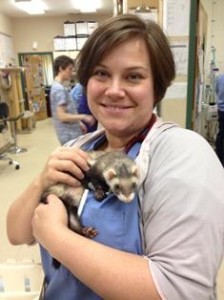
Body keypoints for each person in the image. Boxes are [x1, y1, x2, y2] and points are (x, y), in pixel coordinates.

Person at [6, 14, 224, 300]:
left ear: (157, 86)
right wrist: (40, 182)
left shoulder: (183, 155)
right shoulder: (78, 146)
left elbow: (181, 291)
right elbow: (17, 234)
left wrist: (57, 238)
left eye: (134, 76)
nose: (114, 90)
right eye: (101, 73)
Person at [50, 55, 95, 145]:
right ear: (61, 69)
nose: (72, 73)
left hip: (71, 131)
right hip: (68, 134)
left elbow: (67, 110)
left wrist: (79, 123)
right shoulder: (58, 89)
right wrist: (83, 117)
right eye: (70, 69)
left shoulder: (58, 86)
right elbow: (62, 116)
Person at [215, 73, 224, 166]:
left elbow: (216, 91)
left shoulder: (220, 78)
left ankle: (219, 157)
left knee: (221, 133)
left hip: (221, 110)